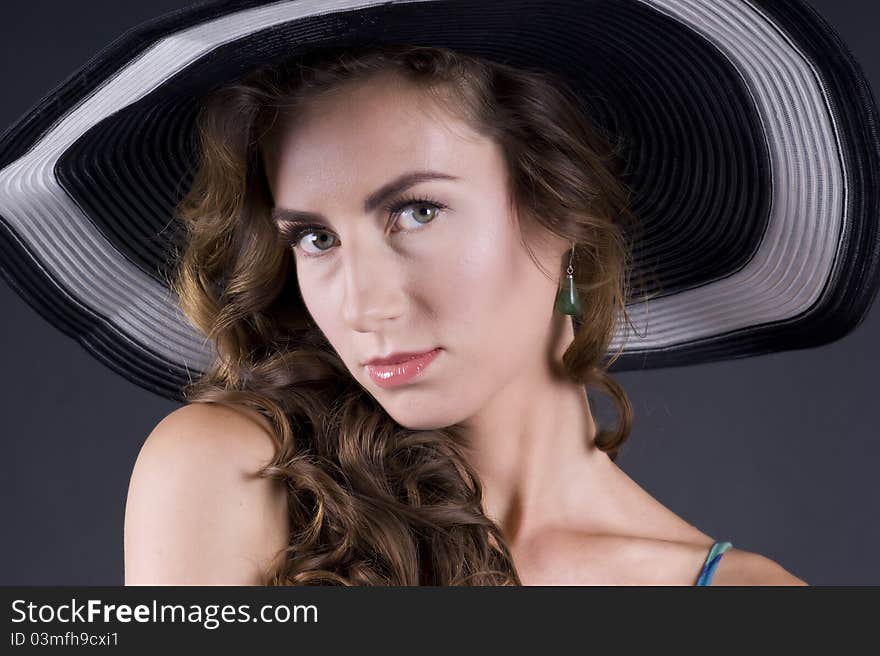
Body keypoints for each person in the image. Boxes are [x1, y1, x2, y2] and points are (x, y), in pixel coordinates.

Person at [123, 44, 807, 586]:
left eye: (417, 212)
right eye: (316, 238)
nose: (363, 305)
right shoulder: (240, 473)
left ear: (560, 209)